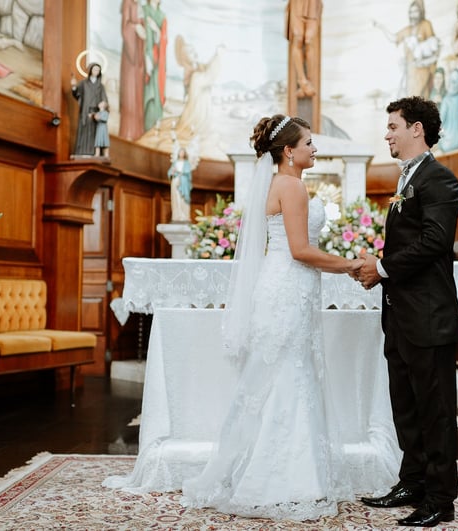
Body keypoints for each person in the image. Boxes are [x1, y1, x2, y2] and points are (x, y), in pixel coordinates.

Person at [180, 115, 363, 520]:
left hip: (280, 285)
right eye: (309, 143)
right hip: (289, 286)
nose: (316, 149)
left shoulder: (277, 184)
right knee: (290, 374)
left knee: (280, 372)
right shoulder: (293, 186)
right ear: (289, 151)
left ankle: (274, 470)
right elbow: (300, 250)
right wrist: (349, 264)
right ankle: (287, 478)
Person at [356, 96, 458, 527]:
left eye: (393, 126)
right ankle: (412, 481)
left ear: (416, 129)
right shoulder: (408, 179)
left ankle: (440, 499)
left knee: (435, 410)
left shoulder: (440, 179)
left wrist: (380, 268)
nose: (388, 134)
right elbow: (408, 242)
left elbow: (435, 242)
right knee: (407, 406)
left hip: (428, 316)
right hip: (401, 315)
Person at [373, 0, 439, 99]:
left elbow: (433, 46)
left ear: (420, 12)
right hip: (410, 74)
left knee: (422, 100)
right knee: (411, 102)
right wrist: (381, 27)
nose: (413, 15)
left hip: (423, 71)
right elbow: (394, 38)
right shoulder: (407, 29)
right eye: (411, 12)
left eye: (415, 11)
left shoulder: (426, 24)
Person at [119, 0, 146, 140]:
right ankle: (128, 131)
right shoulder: (128, 3)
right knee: (130, 91)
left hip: (139, 53)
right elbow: (125, 26)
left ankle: (138, 131)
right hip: (131, 56)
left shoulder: (140, 5)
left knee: (138, 92)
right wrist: (136, 28)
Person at [286, 0, 322, 98]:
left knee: (309, 41)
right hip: (297, 5)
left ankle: (309, 82)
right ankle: (302, 81)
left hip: (313, 5)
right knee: (298, 38)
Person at [71, 63, 108, 156]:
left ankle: (94, 153)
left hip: (96, 113)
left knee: (96, 133)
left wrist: (102, 110)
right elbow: (77, 94)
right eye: (94, 69)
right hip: (85, 111)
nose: (96, 72)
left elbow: (104, 100)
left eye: (98, 70)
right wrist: (74, 86)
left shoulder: (101, 86)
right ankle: (82, 152)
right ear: (90, 70)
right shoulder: (84, 83)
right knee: (84, 131)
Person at [142, 0, 167, 132]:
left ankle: (154, 127)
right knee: (146, 93)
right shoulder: (143, 10)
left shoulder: (162, 16)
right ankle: (146, 126)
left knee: (156, 91)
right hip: (144, 57)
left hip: (157, 61)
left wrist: (156, 30)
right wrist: (146, 56)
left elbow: (163, 40)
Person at [167, 132, 193, 222]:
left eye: (183, 152)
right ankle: (177, 216)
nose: (181, 153)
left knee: (183, 199)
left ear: (184, 154)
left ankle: (184, 216)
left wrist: (180, 173)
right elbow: (170, 172)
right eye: (180, 152)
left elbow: (188, 173)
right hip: (175, 182)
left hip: (183, 182)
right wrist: (172, 172)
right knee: (176, 199)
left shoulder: (187, 163)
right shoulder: (175, 163)